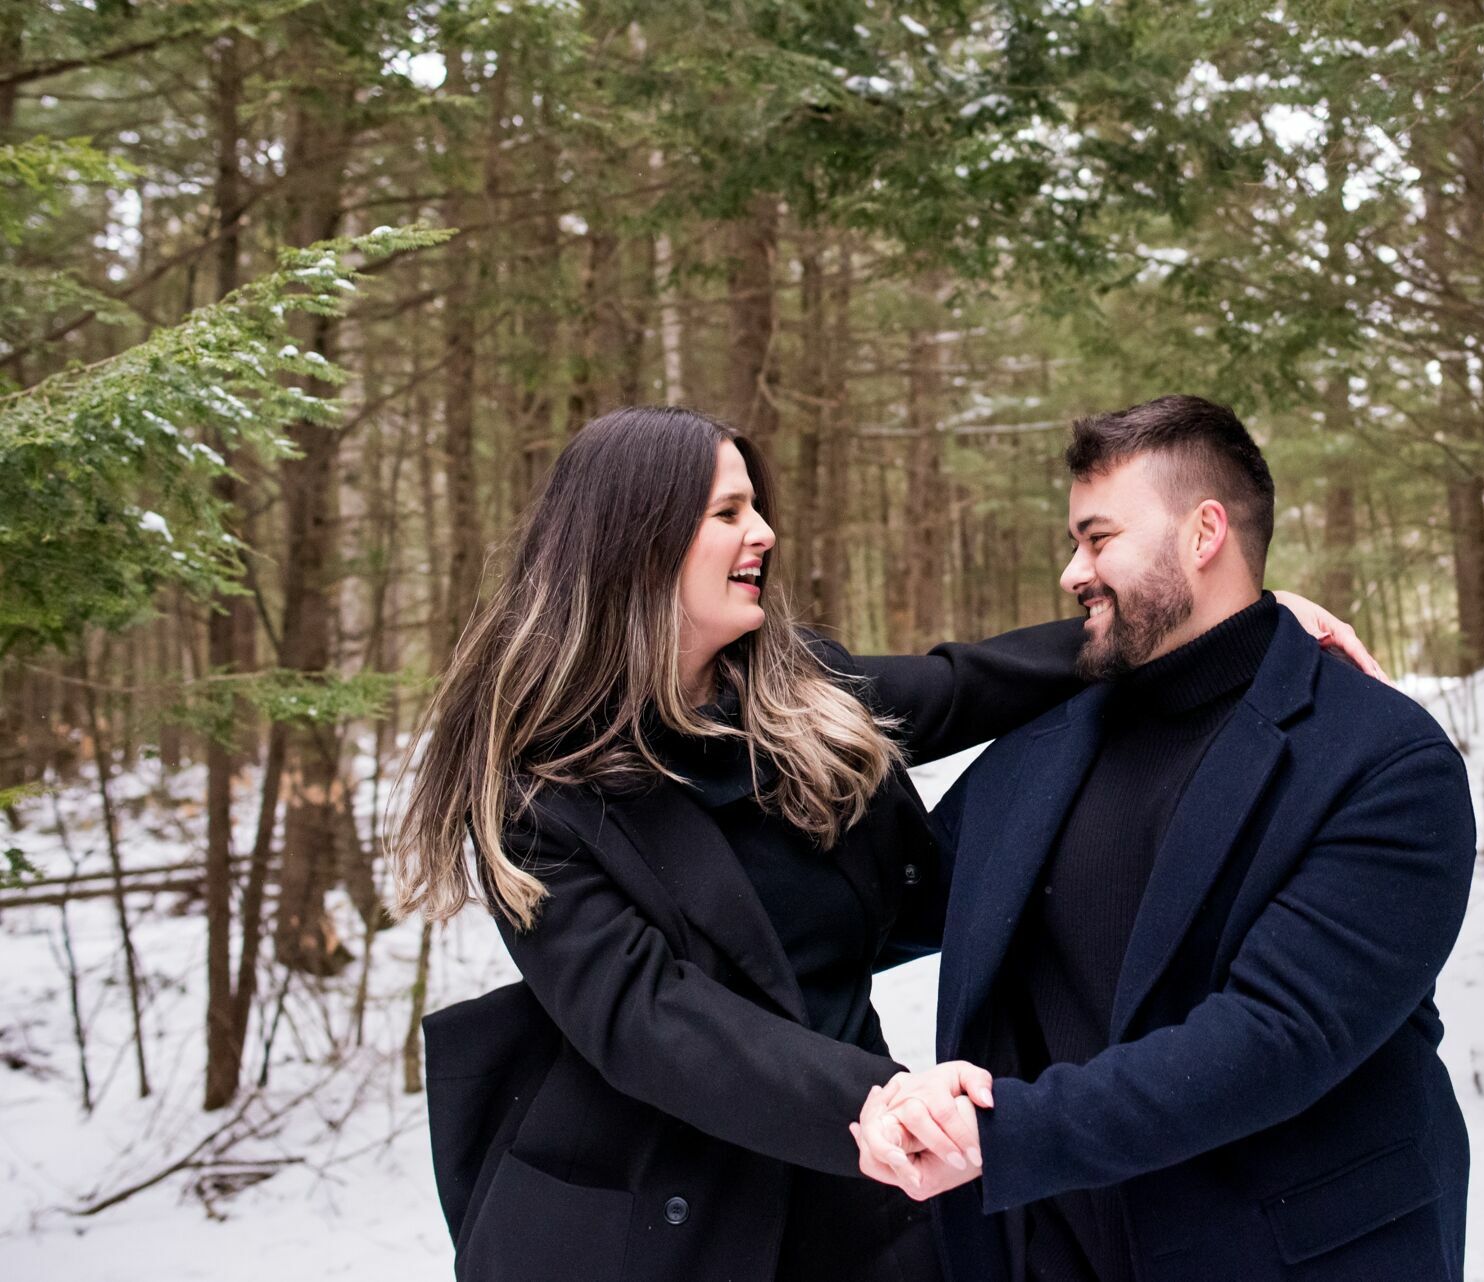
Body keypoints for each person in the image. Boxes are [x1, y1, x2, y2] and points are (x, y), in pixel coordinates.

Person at [390, 405, 1374, 1282]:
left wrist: (1218, 618)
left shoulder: (790, 686)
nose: (764, 532)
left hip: (854, 1199)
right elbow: (653, 1021)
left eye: (755, 506)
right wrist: (882, 1102)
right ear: (637, 542)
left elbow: (966, 682)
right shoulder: (538, 790)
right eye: (729, 511)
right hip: (656, 1207)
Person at [853, 396, 1477, 1282]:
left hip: (1285, 1257)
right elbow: (883, 909)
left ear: (1204, 533)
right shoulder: (1046, 740)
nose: (1073, 571)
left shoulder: (1383, 760)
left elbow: (1277, 1036)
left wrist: (1004, 1133)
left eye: (1098, 539)